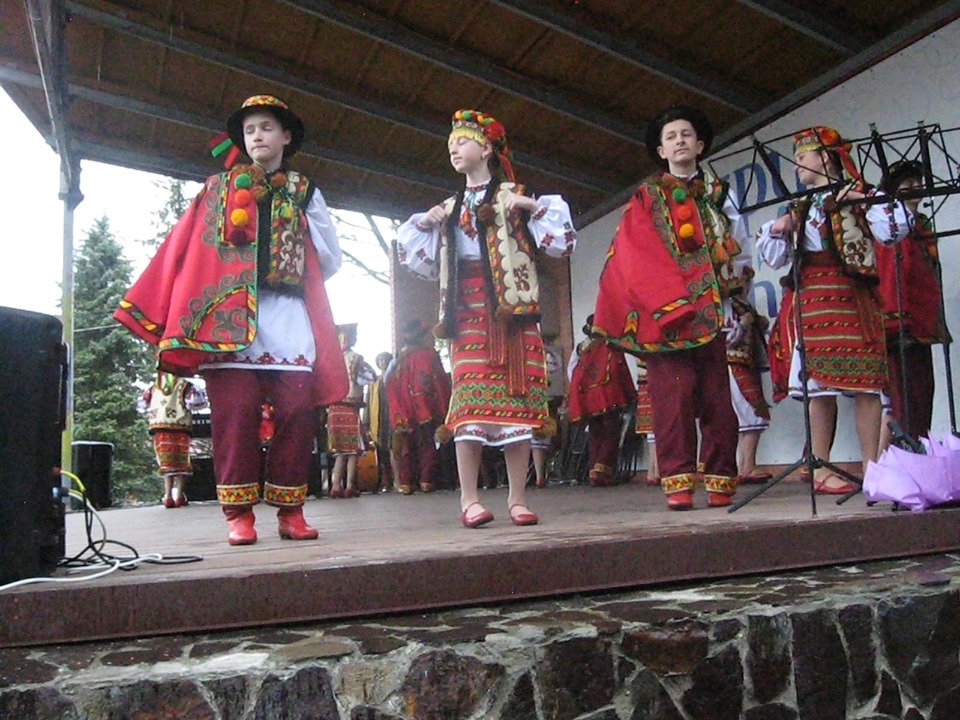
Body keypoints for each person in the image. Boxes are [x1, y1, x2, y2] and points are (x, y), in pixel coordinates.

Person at [115, 94, 348, 545]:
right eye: (249, 129)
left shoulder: (306, 191)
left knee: (297, 413)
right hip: (228, 322)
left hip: (287, 319)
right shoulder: (217, 189)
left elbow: (329, 257)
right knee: (235, 417)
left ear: (286, 136)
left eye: (266, 127)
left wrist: (294, 268)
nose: (257, 136)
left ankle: (291, 509)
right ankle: (238, 514)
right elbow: (185, 250)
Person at [397, 108, 577, 528]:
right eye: (451, 144)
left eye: (462, 141)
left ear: (487, 149)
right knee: (468, 404)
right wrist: (425, 222)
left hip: (514, 313)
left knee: (518, 403)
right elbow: (419, 260)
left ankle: (517, 498)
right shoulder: (447, 208)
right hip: (467, 312)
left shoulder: (516, 195)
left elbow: (561, 242)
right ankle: (469, 498)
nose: (454, 149)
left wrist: (529, 206)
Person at [592, 104, 745, 510]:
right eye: (671, 137)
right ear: (661, 151)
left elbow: (738, 249)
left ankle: (721, 479)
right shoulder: (647, 197)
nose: (680, 141)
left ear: (700, 144)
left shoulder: (719, 196)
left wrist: (734, 294)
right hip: (667, 318)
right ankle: (678, 482)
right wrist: (670, 304)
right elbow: (636, 254)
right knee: (673, 400)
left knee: (717, 398)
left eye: (686, 134)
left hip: (712, 311)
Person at [757, 126, 910, 493]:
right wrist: (779, 227)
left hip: (854, 295)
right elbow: (775, 258)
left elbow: (894, 230)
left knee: (867, 386)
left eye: (802, 157)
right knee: (819, 388)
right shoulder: (798, 207)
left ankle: (873, 469)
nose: (797, 165)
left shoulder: (860, 194)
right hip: (813, 297)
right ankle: (821, 467)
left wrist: (864, 198)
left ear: (825, 158)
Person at [874, 160, 948, 449]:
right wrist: (894, 319)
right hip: (899, 322)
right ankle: (895, 459)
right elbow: (889, 274)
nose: (915, 189)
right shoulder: (890, 226)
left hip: (921, 321)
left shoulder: (921, 224)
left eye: (918, 184)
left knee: (918, 395)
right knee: (900, 400)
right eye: (908, 184)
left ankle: (901, 456)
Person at [567, 315, 636, 487]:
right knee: (611, 432)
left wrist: (578, 395)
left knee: (595, 433)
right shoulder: (611, 345)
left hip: (587, 395)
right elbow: (619, 369)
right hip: (607, 394)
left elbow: (573, 372)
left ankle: (594, 471)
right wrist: (629, 394)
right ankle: (602, 470)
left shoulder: (583, 347)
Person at [386, 319, 452, 494]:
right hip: (426, 406)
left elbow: (389, 385)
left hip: (402, 407)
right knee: (426, 443)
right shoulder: (430, 355)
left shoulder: (397, 359)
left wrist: (396, 409)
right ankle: (426, 480)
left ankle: (406, 482)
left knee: (406, 445)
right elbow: (440, 381)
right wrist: (444, 407)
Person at [142, 371, 206, 508]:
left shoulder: (155, 386)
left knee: (167, 463)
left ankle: (168, 496)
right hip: (180, 427)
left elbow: (144, 404)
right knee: (182, 462)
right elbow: (196, 403)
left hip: (160, 427)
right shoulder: (185, 385)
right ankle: (179, 496)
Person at [327, 323, 376, 498]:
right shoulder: (356, 358)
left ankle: (335, 486)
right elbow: (370, 377)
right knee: (353, 450)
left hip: (333, 408)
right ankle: (349, 485)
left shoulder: (331, 359)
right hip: (350, 407)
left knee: (340, 451)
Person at [367, 351, 396, 491]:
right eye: (380, 360)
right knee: (380, 451)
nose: (383, 362)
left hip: (391, 417)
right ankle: (385, 481)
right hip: (377, 419)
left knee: (393, 449)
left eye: (385, 359)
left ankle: (397, 480)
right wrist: (366, 421)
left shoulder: (394, 378)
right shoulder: (374, 381)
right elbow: (368, 401)